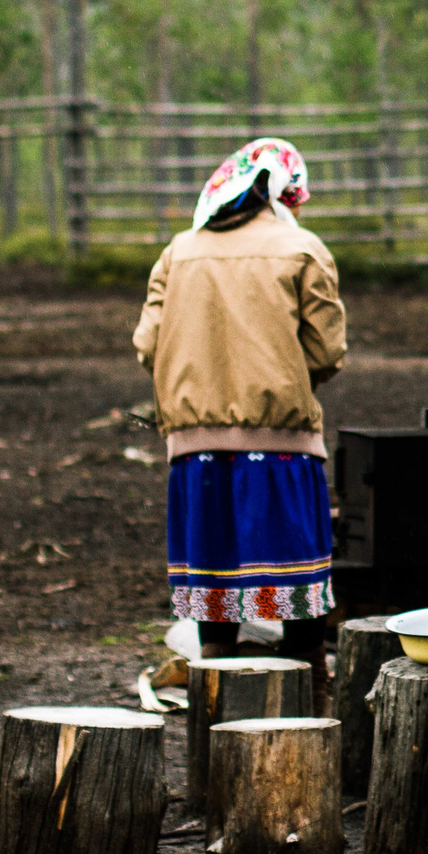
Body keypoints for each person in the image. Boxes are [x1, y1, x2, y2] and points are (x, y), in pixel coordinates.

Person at [134, 137, 346, 701]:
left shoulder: (178, 252)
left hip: (193, 452)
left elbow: (147, 345)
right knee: (295, 588)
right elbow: (326, 352)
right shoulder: (301, 249)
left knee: (214, 592)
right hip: (281, 447)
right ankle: (308, 702)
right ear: (283, 191)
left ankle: (216, 715)